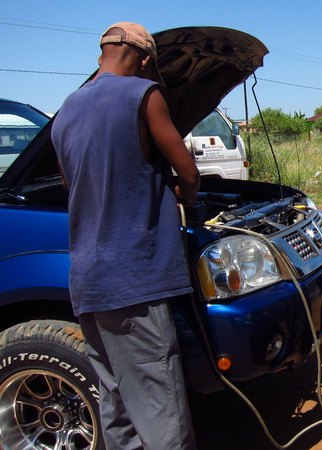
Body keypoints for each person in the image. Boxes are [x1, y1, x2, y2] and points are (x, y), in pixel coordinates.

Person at [51, 22, 199, 449]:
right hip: (134, 280)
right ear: (146, 59)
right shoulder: (143, 95)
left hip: (88, 281)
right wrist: (183, 195)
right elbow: (187, 171)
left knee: (117, 404)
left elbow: (73, 182)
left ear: (103, 52)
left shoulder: (65, 111)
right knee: (160, 409)